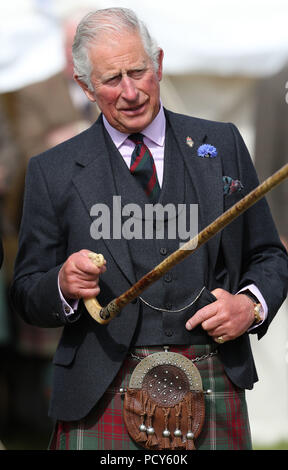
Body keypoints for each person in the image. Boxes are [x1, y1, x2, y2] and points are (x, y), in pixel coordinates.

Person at [10, 8, 288, 451]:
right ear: (85, 85)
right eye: (111, 79)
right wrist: (61, 284)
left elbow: (268, 255)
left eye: (138, 71)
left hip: (211, 376)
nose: (131, 91)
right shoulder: (53, 170)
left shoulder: (222, 144)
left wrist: (249, 306)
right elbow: (26, 291)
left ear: (158, 63)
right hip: (100, 389)